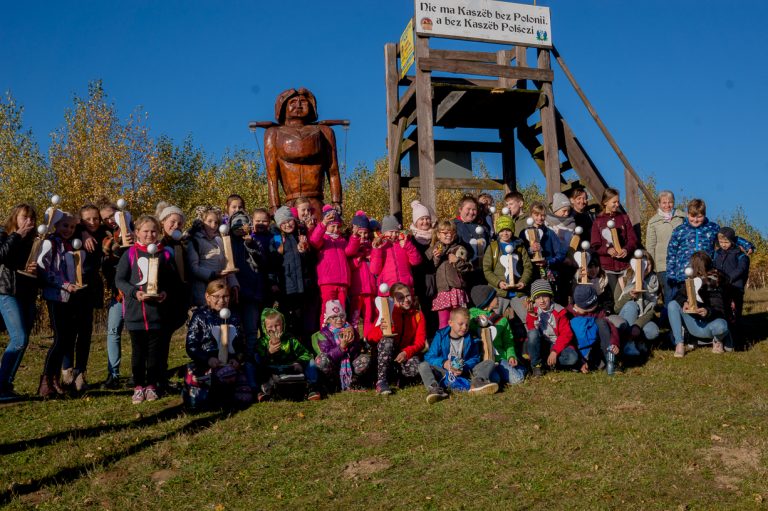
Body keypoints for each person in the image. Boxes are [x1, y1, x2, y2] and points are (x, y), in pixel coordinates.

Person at [115, 215, 179, 404]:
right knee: (138, 353)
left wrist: (166, 292)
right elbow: (120, 280)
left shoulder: (164, 254)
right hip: (135, 313)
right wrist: (134, 293)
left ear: (158, 233)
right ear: (137, 233)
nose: (150, 234)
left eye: (153, 231)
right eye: (146, 231)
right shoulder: (130, 254)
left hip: (156, 313)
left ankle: (151, 385)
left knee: (153, 353)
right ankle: (138, 386)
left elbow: (172, 281)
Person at [264, 88, 342, 215]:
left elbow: (333, 171)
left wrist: (336, 202)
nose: (298, 105)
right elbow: (272, 175)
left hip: (317, 202)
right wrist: (274, 205)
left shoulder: (325, 132)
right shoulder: (273, 133)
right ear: (282, 107)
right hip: (291, 204)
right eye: (293, 102)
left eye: (303, 101)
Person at [666, 199, 754, 302]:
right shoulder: (679, 230)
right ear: (687, 214)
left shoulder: (712, 228)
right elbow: (671, 253)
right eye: (692, 216)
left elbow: (728, 237)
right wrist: (671, 275)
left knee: (704, 301)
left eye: (699, 217)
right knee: (684, 302)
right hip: (683, 274)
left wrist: (746, 244)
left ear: (704, 214)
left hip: (706, 273)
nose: (695, 220)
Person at [60, 204, 107, 392]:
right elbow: (67, 224)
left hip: (90, 288)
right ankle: (67, 371)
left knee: (85, 332)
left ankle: (81, 371)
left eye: (95, 218)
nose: (92, 222)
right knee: (68, 331)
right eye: (88, 219)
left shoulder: (102, 233)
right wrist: (82, 231)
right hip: (71, 287)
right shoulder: (74, 232)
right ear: (81, 220)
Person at [184, 280, 250, 408]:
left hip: (228, 362)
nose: (222, 300)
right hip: (206, 363)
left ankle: (227, 394)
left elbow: (241, 344)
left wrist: (236, 359)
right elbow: (191, 345)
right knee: (221, 378)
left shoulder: (234, 316)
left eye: (225, 296)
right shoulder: (199, 316)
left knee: (245, 397)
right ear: (207, 297)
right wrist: (208, 359)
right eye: (217, 296)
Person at [37, 212, 80, 398]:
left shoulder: (68, 245)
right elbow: (44, 270)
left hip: (68, 297)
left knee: (67, 339)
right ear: (55, 225)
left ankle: (54, 380)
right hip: (55, 296)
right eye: (64, 226)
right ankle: (45, 381)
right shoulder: (50, 243)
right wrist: (64, 285)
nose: (68, 230)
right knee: (60, 339)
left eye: (71, 227)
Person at [418, 307, 499, 404]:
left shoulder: (471, 338)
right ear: (450, 323)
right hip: (444, 371)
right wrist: (444, 363)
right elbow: (429, 356)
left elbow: (475, 358)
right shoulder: (440, 335)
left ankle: (477, 383)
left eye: (467, 325)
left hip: (464, 372)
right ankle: (435, 389)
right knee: (422, 365)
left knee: (489, 362)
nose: (464, 327)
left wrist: (464, 367)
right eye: (461, 324)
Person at [0, 204, 38, 400]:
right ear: (15, 217)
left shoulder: (34, 241)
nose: (29, 222)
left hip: (27, 294)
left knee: (23, 342)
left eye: (32, 218)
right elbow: (2, 255)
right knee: (19, 339)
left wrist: (35, 270)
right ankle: (0, 386)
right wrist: (17, 236)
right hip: (7, 292)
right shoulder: (4, 234)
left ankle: (6, 385)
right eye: (25, 217)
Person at [366, 282, 426, 395]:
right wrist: (380, 330)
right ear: (393, 299)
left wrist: (406, 352)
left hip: (402, 357)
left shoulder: (418, 315)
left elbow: (420, 342)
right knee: (388, 341)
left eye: (408, 295)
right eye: (401, 298)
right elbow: (370, 338)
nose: (406, 300)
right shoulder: (387, 313)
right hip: (384, 358)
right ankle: (381, 380)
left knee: (416, 364)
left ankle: (399, 378)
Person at [667, 251, 732, 357]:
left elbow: (720, 310)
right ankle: (679, 343)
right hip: (695, 325)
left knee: (721, 326)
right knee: (673, 305)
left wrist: (707, 311)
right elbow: (679, 296)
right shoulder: (691, 280)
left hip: (711, 325)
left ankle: (718, 341)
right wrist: (684, 302)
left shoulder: (716, 282)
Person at [270, 206, 318, 344]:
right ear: (279, 225)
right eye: (283, 223)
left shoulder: (301, 236)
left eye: (289, 221)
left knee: (304, 320)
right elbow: (273, 264)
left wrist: (304, 251)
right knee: (289, 320)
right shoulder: (277, 239)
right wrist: (273, 283)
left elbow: (310, 262)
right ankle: (291, 349)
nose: (287, 225)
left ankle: (305, 348)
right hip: (287, 287)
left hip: (304, 286)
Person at [252, 308, 320, 401]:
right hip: (271, 369)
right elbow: (259, 359)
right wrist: (269, 352)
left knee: (311, 362)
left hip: (289, 367)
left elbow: (305, 354)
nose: (274, 329)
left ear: (283, 325)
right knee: (254, 363)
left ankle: (312, 388)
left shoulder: (290, 339)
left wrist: (299, 362)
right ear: (264, 328)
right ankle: (263, 391)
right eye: (270, 327)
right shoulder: (262, 342)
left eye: (277, 326)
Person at [98, 201, 130, 389]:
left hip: (135, 292)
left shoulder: (131, 230)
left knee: (137, 334)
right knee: (113, 331)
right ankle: (113, 374)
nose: (110, 220)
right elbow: (109, 255)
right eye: (105, 218)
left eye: (112, 215)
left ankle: (139, 372)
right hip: (117, 293)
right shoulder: (104, 238)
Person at [309, 205, 360, 324]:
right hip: (328, 281)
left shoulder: (341, 240)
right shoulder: (323, 239)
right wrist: (322, 224)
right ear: (326, 226)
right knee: (328, 309)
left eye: (338, 226)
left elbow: (349, 251)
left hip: (343, 281)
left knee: (341, 310)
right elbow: (314, 240)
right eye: (332, 226)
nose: (336, 229)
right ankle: (325, 334)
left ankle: (339, 334)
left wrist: (355, 236)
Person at [469, 285, 525, 386]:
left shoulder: (502, 320)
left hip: (500, 358)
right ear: (487, 301)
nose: (498, 298)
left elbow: (508, 341)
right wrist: (476, 320)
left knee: (518, 380)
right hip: (482, 359)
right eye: (495, 297)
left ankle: (521, 368)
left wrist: (511, 355)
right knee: (495, 380)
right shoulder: (472, 316)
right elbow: (467, 328)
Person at [482, 215, 533, 324]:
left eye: (508, 230)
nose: (505, 233)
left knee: (528, 318)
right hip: (499, 292)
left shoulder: (519, 246)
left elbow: (528, 266)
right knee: (493, 320)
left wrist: (523, 281)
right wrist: (498, 282)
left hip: (518, 292)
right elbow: (487, 270)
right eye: (502, 230)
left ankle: (531, 339)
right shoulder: (493, 247)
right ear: (498, 231)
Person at [186, 206, 239, 308]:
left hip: (222, 293)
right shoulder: (195, 241)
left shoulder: (219, 240)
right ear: (202, 222)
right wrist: (213, 274)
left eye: (216, 222)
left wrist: (234, 285)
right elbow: (193, 268)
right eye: (209, 221)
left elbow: (227, 264)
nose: (213, 225)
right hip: (204, 293)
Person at [524, 279, 579, 377]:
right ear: (533, 299)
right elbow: (532, 331)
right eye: (537, 298)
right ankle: (537, 365)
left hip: (556, 344)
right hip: (541, 344)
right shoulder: (534, 310)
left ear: (550, 296)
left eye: (544, 296)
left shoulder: (559, 311)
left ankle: (550, 363)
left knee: (572, 357)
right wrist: (532, 315)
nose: (541, 301)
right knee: (532, 334)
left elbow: (566, 334)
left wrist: (555, 351)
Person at [590, 188, 638, 298]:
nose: (617, 204)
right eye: (614, 202)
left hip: (625, 266)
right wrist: (607, 250)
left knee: (627, 297)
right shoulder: (598, 222)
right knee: (615, 298)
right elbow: (595, 245)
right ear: (605, 202)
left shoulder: (624, 218)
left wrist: (626, 249)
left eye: (618, 202)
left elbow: (633, 240)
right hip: (608, 268)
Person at [313, 300, 371, 392]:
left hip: (349, 366)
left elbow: (357, 352)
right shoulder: (324, 333)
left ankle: (352, 381)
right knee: (321, 359)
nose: (339, 319)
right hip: (333, 368)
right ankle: (332, 383)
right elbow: (327, 354)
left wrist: (352, 343)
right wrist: (341, 348)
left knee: (365, 358)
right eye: (334, 317)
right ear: (328, 319)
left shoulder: (350, 330)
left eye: (342, 316)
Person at [614, 249, 660, 356]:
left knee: (653, 331)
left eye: (649, 264)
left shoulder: (654, 281)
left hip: (642, 317)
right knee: (631, 305)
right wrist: (629, 295)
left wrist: (637, 325)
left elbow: (652, 310)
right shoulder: (624, 279)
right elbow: (616, 308)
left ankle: (638, 342)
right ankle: (627, 343)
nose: (646, 268)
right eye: (643, 264)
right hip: (625, 317)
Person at [428, 220, 472, 329]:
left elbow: (468, 269)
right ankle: (445, 344)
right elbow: (428, 268)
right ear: (438, 235)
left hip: (456, 290)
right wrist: (436, 258)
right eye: (445, 233)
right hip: (441, 291)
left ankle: (460, 343)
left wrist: (457, 261)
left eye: (451, 233)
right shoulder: (433, 249)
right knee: (443, 323)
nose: (448, 235)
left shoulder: (459, 249)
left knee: (459, 322)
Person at [568, 284, 619, 375]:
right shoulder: (568, 315)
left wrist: (614, 343)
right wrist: (579, 361)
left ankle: (609, 360)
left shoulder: (597, 312)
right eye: (593, 304)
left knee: (602, 322)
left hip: (595, 348)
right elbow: (567, 340)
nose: (596, 305)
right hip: (578, 351)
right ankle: (580, 364)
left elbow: (610, 327)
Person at [519, 201, 567, 298]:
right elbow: (520, 253)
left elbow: (560, 254)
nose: (540, 218)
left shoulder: (550, 233)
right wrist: (530, 250)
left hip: (548, 273)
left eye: (542, 215)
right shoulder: (524, 233)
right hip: (530, 274)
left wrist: (548, 262)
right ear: (531, 215)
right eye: (536, 215)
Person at [645, 190, 685, 304]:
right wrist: (651, 266)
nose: (667, 205)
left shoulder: (682, 218)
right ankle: (669, 319)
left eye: (670, 202)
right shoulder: (653, 222)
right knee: (670, 294)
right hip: (663, 265)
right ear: (659, 204)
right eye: (664, 202)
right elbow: (650, 245)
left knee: (683, 293)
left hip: (681, 262)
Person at [714, 227, 750, 348]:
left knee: (735, 315)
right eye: (721, 242)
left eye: (726, 242)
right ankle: (725, 339)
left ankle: (738, 342)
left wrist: (729, 278)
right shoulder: (717, 254)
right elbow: (715, 268)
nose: (723, 245)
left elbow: (741, 269)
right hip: (722, 289)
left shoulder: (740, 255)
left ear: (733, 241)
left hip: (735, 288)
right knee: (724, 313)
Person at [370, 215, 421, 292]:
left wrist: (408, 246)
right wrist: (377, 250)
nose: (394, 235)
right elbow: (374, 270)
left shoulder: (404, 243)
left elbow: (416, 261)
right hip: (387, 289)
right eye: (391, 232)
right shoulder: (380, 247)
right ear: (384, 233)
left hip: (405, 288)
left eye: (396, 232)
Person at [409, 200, 438, 336]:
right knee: (421, 311)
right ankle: (421, 338)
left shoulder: (435, 237)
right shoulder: (411, 239)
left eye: (427, 218)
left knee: (434, 311)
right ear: (416, 222)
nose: (425, 222)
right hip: (418, 279)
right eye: (421, 219)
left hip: (434, 278)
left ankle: (433, 337)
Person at [347, 211, 376, 333]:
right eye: (360, 233)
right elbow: (349, 266)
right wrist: (358, 259)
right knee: (354, 317)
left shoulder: (371, 246)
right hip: (356, 290)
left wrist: (371, 255)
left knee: (369, 316)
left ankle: (368, 338)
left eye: (365, 233)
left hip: (370, 289)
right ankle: (355, 340)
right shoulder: (351, 245)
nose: (363, 236)